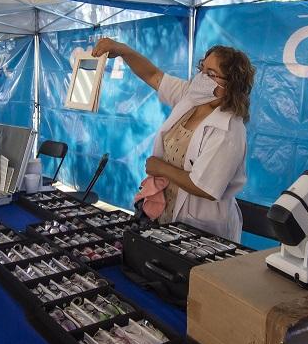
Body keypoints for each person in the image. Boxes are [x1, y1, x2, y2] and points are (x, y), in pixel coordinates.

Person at [92, 38, 255, 242]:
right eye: (202, 69)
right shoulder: (192, 97)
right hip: (166, 213)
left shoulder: (230, 129)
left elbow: (206, 187)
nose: (202, 77)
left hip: (202, 228)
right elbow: (153, 76)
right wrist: (123, 50)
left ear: (231, 84)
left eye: (211, 74)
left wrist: (160, 168)